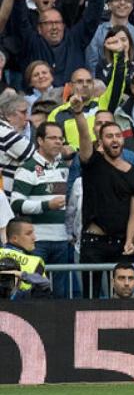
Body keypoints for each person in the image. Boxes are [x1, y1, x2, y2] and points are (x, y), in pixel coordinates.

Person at [76, 94, 134, 298]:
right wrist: (79, 113)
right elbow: (83, 137)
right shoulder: (93, 162)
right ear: (101, 140)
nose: (114, 139)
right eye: (109, 136)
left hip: (119, 243)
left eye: (118, 135)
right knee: (91, 297)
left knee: (122, 296)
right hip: (93, 242)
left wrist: (130, 239)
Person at [11, 121, 71, 299]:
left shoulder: (63, 166)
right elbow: (16, 203)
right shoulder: (27, 168)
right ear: (40, 140)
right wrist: (46, 205)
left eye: (60, 138)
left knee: (60, 294)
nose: (58, 142)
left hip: (61, 240)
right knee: (35, 293)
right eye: (52, 138)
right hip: (38, 241)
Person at [0, 218, 45, 296]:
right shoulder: (35, 262)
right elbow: (44, 288)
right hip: (23, 305)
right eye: (28, 234)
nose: (34, 238)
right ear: (14, 238)